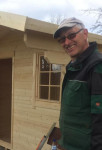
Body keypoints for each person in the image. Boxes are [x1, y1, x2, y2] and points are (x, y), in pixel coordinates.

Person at [53, 17, 102, 150]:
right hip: (67, 144)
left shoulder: (97, 66)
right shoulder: (72, 66)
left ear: (85, 33)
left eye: (71, 35)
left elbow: (100, 117)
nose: (67, 42)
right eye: (62, 39)